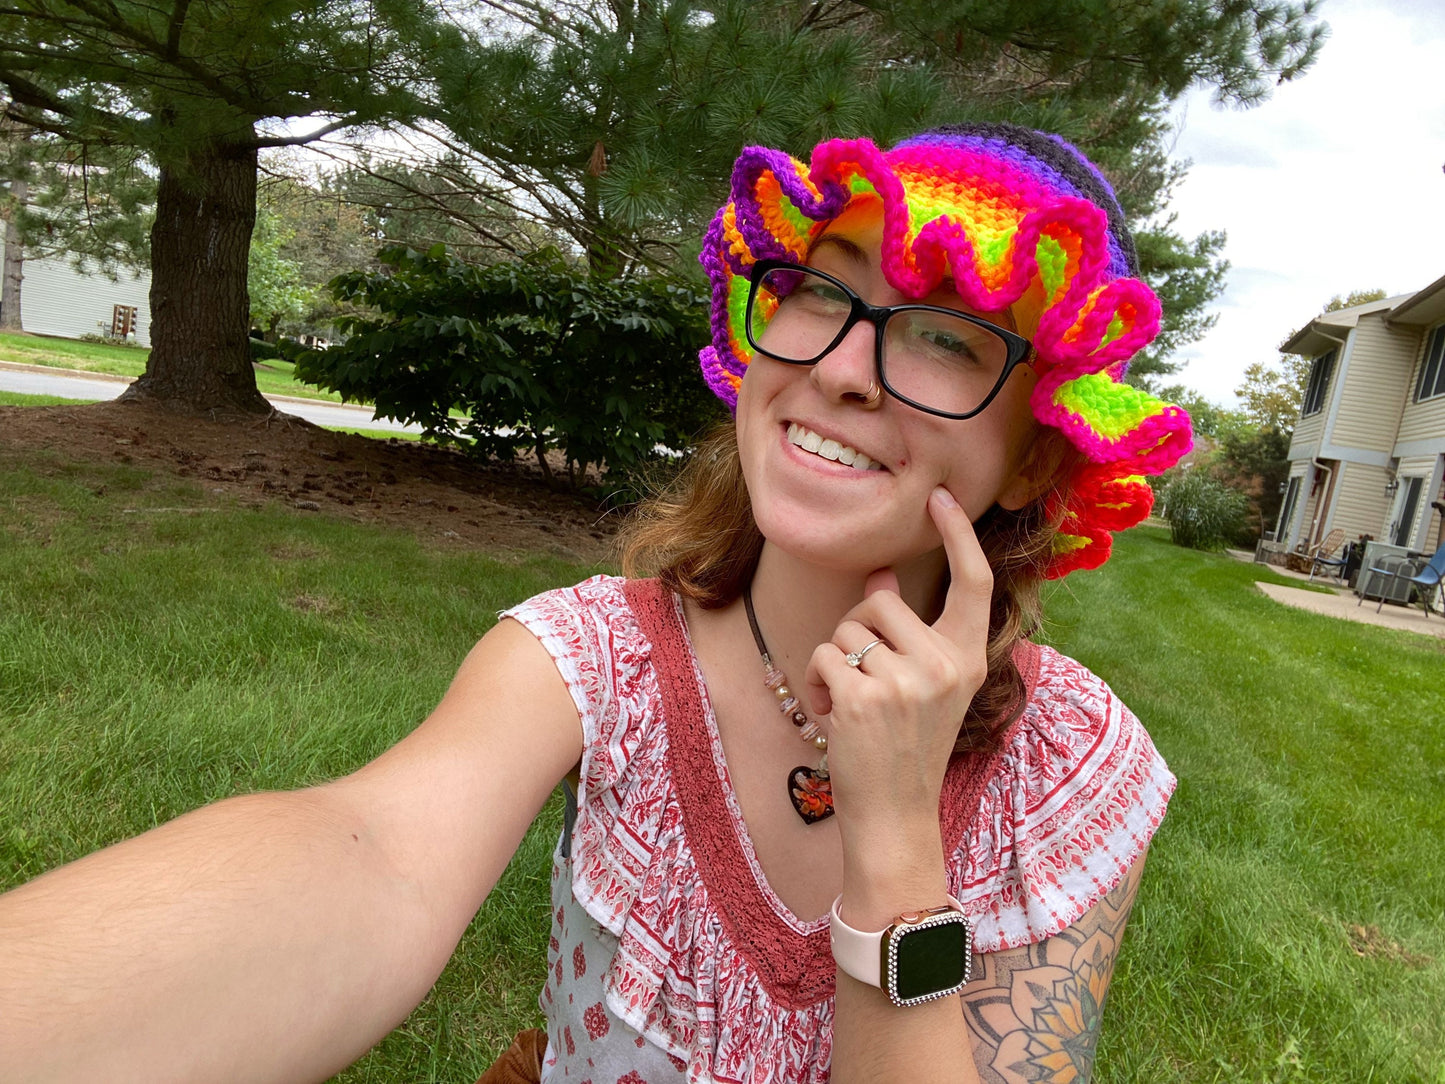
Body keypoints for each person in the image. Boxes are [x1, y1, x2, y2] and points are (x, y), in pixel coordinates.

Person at [0, 123, 1192, 1084]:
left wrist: (893, 849)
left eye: (941, 335)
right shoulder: (588, 656)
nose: (836, 366)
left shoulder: (1073, 768)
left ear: (1037, 454)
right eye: (817, 294)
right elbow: (369, 854)